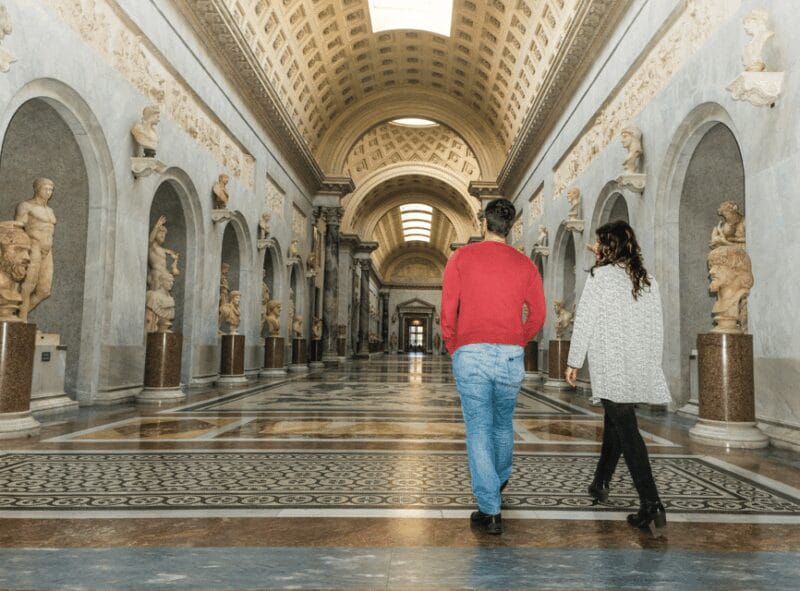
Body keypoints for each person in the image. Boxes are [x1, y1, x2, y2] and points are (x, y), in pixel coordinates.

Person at [441, 198, 546, 535]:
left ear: (483, 223)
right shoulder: (525, 264)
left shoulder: (461, 258)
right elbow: (539, 314)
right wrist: (519, 338)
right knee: (502, 424)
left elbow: (448, 311)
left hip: (470, 353)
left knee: (479, 429)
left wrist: (454, 346)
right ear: (510, 226)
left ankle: (490, 507)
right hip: (510, 355)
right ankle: (496, 485)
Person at [565, 220, 671, 537]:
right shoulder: (648, 280)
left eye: (600, 245)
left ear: (609, 247)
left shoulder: (600, 276)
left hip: (611, 364)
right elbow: (657, 327)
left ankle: (651, 502)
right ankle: (600, 483)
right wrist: (652, 363)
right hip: (638, 362)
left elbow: (584, 320)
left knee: (627, 431)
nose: (596, 250)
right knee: (615, 422)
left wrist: (573, 361)